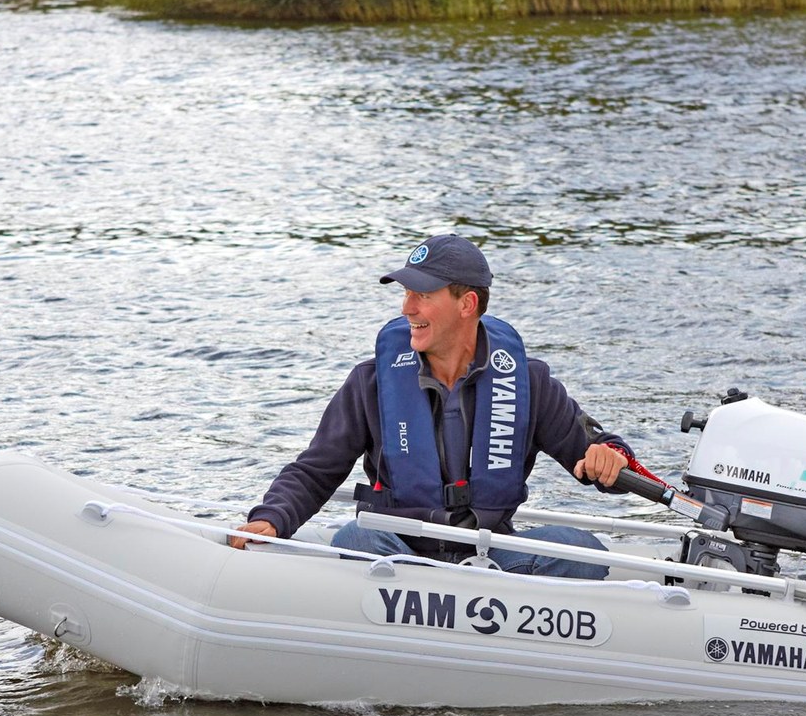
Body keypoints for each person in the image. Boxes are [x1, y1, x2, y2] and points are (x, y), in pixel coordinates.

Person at [230, 234, 632, 579]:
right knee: (355, 538)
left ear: (466, 304)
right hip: (396, 550)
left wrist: (610, 457)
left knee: (582, 549)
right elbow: (316, 469)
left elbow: (597, 451)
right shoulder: (371, 381)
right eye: (406, 294)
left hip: (491, 554)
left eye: (422, 295)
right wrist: (272, 518)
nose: (407, 308)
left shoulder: (528, 381)